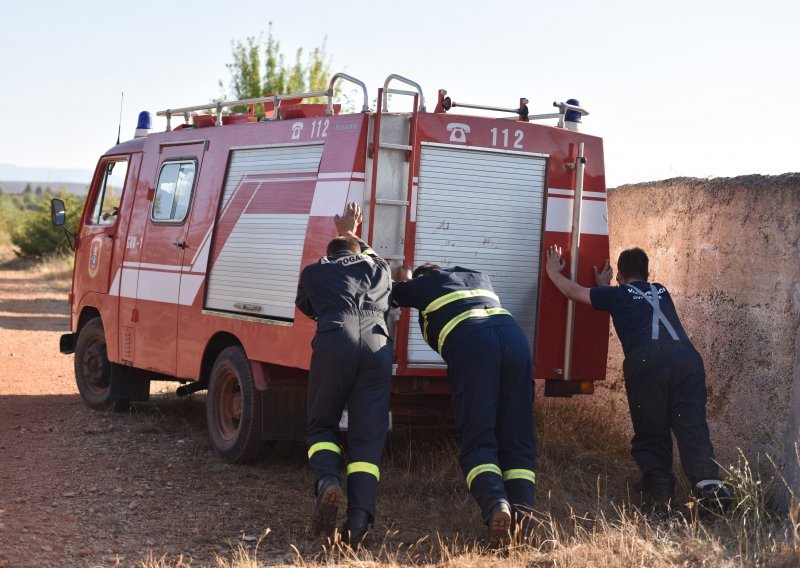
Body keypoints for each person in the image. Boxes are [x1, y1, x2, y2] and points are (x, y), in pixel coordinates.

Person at [545, 245, 732, 512]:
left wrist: (553, 272)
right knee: (692, 426)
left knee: (652, 430)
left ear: (619, 275)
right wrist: (607, 287)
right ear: (648, 273)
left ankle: (658, 497)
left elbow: (573, 292)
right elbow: (636, 299)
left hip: (647, 361)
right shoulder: (662, 291)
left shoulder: (617, 296)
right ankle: (710, 487)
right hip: (688, 360)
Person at [392, 264, 537, 547]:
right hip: (515, 341)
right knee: (518, 437)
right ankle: (524, 523)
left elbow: (393, 291)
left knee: (478, 436)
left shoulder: (425, 283)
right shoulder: (476, 276)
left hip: (474, 344)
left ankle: (497, 505)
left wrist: (404, 277)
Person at [295, 202, 393, 545]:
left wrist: (342, 235)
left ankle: (327, 482)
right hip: (378, 346)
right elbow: (372, 257)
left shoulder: (313, 272)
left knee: (322, 424)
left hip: (336, 338)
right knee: (368, 436)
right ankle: (359, 521)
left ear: (330, 251)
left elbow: (306, 306)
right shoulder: (379, 267)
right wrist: (352, 232)